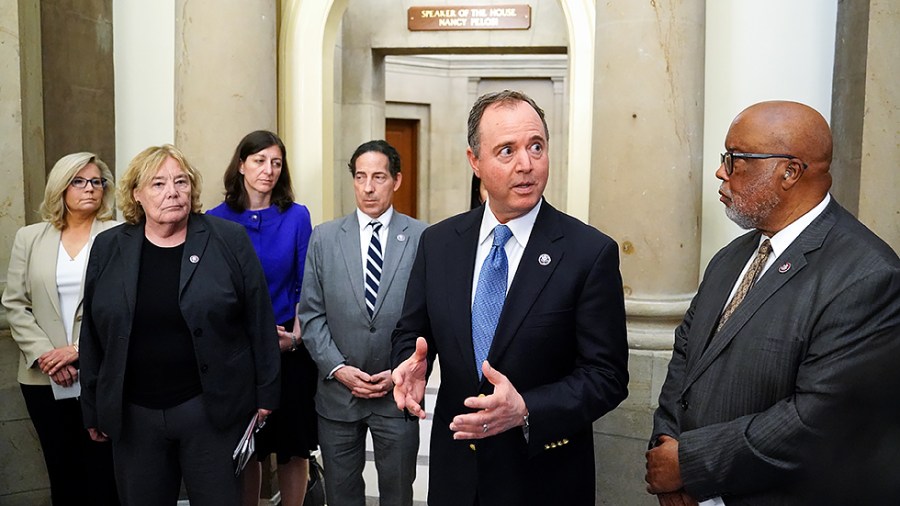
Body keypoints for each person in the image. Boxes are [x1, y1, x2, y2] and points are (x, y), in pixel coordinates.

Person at [645, 101, 900, 505]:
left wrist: (689, 464)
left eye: (736, 159)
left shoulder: (868, 276)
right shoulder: (731, 258)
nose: (721, 171)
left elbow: (815, 421)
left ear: (790, 171)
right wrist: (667, 448)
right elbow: (684, 361)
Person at [390, 90, 629, 505]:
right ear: (474, 161)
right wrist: (410, 365)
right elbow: (412, 331)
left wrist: (526, 408)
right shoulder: (439, 243)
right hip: (457, 478)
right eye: (506, 150)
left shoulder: (588, 253)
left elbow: (607, 377)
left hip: (542, 479)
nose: (526, 164)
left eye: (536, 146)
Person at [79, 144, 281, 506]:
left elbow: (260, 320)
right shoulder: (109, 247)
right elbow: (93, 334)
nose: (172, 191)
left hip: (212, 411)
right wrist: (93, 404)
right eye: (158, 184)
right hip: (134, 414)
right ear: (136, 194)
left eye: (181, 182)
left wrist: (267, 393)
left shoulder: (228, 240)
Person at [298, 140, 426, 506]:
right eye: (360, 177)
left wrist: (401, 370)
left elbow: (428, 317)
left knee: (398, 493)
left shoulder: (422, 238)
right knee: (341, 495)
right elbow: (311, 314)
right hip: (338, 397)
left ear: (396, 180)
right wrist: (338, 368)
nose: (368, 187)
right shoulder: (323, 238)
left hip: (396, 395)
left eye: (379, 177)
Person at [2, 152, 120, 506]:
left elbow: (124, 307)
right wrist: (48, 355)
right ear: (61, 187)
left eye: (97, 182)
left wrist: (80, 352)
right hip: (43, 377)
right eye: (79, 181)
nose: (90, 188)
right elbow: (14, 304)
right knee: (62, 470)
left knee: (105, 473)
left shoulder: (117, 235)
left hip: (101, 373)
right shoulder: (30, 237)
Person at [207, 130, 317, 506]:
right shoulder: (214, 220)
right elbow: (215, 290)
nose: (268, 170)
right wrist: (247, 337)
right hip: (238, 350)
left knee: (292, 445)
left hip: (288, 345)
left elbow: (306, 282)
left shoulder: (297, 216)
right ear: (241, 165)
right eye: (258, 161)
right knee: (246, 446)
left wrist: (297, 337)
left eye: (276, 162)